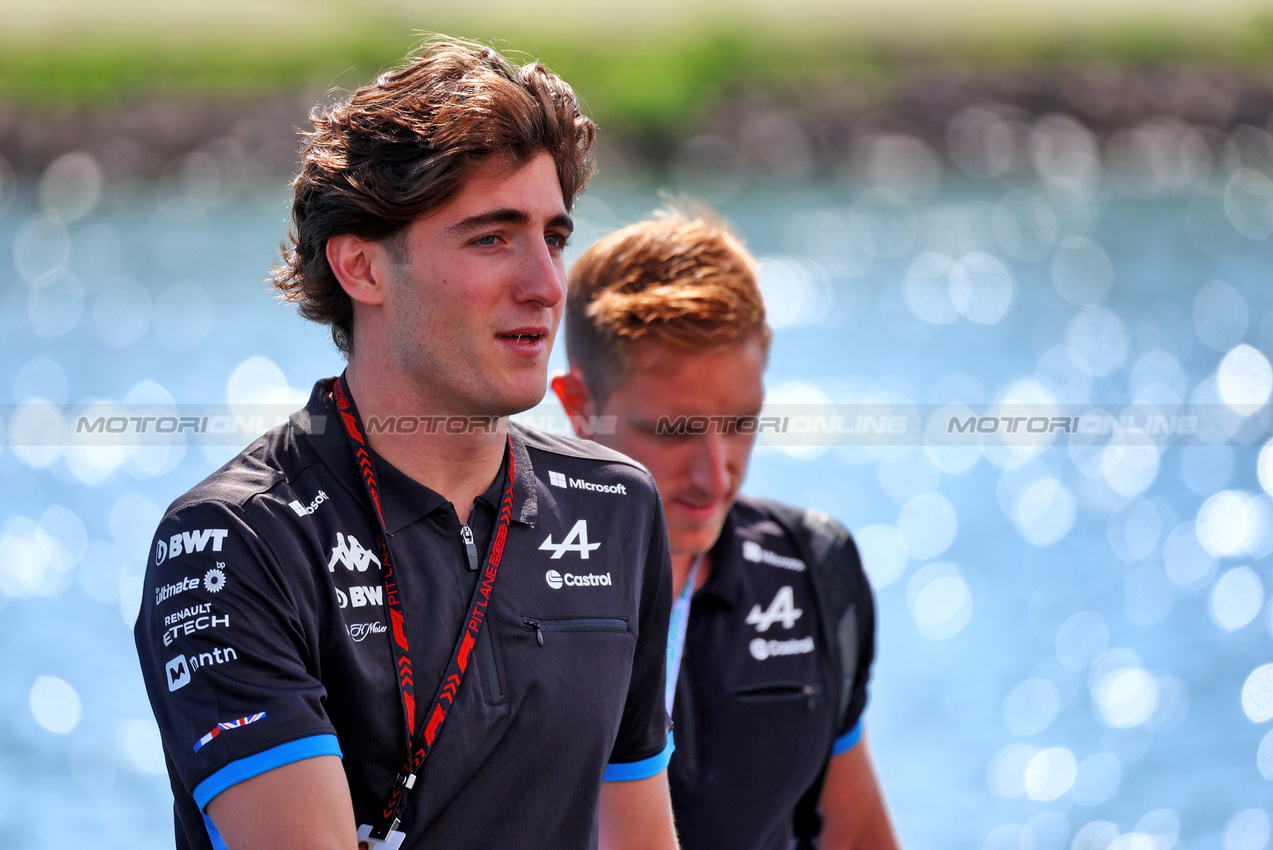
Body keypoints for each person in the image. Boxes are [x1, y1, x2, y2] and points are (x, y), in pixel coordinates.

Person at [134, 40, 679, 850]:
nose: (544, 283)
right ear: (361, 267)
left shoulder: (618, 505)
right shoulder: (231, 543)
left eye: (553, 238)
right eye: (491, 238)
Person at [553, 208, 900, 849]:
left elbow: (855, 838)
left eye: (741, 423)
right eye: (672, 429)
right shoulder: (498, 582)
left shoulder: (817, 569)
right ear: (580, 408)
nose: (716, 476)